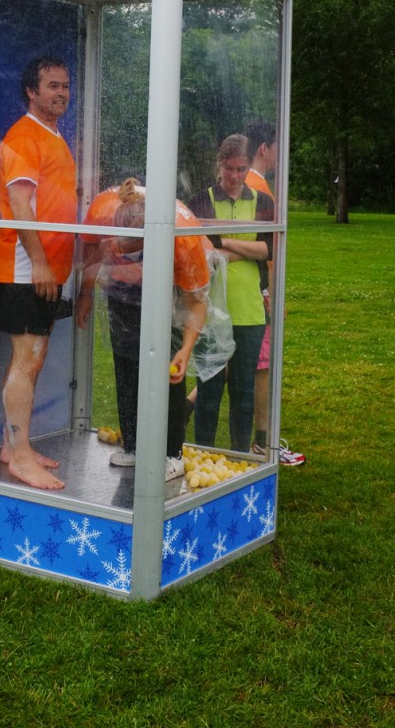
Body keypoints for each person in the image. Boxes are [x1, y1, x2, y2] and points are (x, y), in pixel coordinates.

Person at [75, 180, 209, 481]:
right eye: (122, 248)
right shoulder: (101, 213)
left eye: (138, 251)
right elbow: (91, 252)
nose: (127, 255)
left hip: (169, 292)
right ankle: (134, 445)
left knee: (167, 372)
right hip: (120, 292)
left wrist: (185, 350)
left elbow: (196, 302)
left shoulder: (183, 239)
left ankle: (172, 453)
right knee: (125, 364)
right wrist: (85, 294)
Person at [0, 56, 76, 491]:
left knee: (31, 359)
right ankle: (20, 456)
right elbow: (21, 205)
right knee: (27, 360)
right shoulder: (24, 136)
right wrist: (40, 262)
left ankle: (13, 446)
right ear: (31, 91)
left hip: (46, 270)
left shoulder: (54, 135)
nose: (62, 93)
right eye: (52, 86)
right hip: (25, 268)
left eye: (65, 86)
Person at [188, 134, 274, 453]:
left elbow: (267, 249)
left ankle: (239, 459)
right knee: (208, 392)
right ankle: (202, 456)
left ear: (249, 166)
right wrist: (245, 248)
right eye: (229, 168)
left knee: (243, 393)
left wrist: (224, 243)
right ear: (219, 164)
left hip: (250, 309)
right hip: (210, 311)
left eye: (241, 169)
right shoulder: (200, 200)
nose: (234, 176)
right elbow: (200, 248)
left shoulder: (263, 202)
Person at [244, 118, 305, 467]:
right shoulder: (259, 190)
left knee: (240, 356)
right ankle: (263, 443)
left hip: (245, 288)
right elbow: (266, 250)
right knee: (262, 364)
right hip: (257, 291)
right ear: (265, 149)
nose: (282, 154)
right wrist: (272, 295)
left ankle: (188, 406)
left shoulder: (246, 184)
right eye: (278, 146)